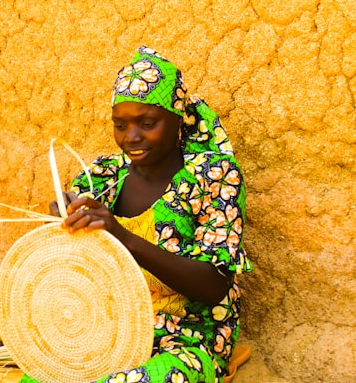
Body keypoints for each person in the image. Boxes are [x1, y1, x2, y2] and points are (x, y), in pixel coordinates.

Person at [21, 46, 252, 383]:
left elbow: (214, 287)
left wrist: (123, 237)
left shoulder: (213, 176)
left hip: (187, 338)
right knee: (38, 378)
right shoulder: (104, 176)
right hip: (110, 327)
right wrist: (62, 224)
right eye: (120, 125)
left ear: (177, 119)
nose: (131, 137)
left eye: (147, 123)